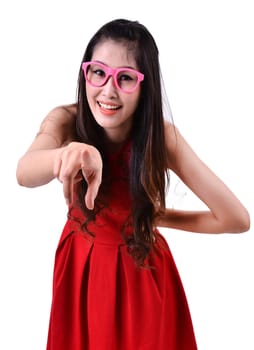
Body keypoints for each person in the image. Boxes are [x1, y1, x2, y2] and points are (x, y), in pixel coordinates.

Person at [16, 19, 250, 350]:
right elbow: (25, 172)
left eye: (125, 78)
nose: (108, 90)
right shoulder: (66, 120)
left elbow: (235, 219)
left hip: (139, 273)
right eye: (98, 72)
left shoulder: (161, 137)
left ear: (145, 86)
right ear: (85, 73)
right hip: (80, 268)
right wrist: (72, 151)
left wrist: (155, 216)